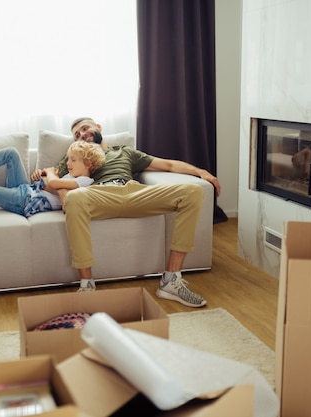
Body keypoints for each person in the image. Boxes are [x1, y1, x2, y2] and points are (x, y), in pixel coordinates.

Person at [46, 117, 221, 307]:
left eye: (84, 128)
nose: (82, 135)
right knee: (74, 197)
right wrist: (64, 195)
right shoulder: (76, 156)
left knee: (192, 191)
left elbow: (168, 165)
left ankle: (171, 280)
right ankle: (87, 285)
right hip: (100, 195)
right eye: (77, 135)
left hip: (134, 193)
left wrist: (202, 172)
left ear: (98, 127)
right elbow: (52, 179)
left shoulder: (124, 151)